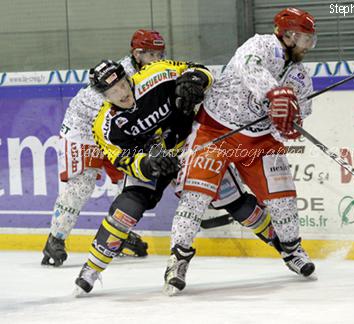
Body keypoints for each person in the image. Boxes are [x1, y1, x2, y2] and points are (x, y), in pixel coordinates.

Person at [74, 58, 282, 295]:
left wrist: (196, 80)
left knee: (230, 199)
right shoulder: (104, 124)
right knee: (127, 209)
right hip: (154, 160)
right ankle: (91, 268)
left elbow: (200, 68)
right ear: (104, 96)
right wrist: (149, 164)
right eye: (112, 91)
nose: (121, 93)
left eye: (122, 84)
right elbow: (123, 159)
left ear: (127, 77)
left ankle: (285, 246)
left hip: (190, 145)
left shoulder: (157, 73)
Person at [165, 7, 317, 295]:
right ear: (288, 35)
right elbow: (250, 67)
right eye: (305, 39)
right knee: (195, 197)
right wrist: (274, 92)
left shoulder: (299, 76)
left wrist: (290, 125)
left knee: (283, 201)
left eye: (311, 40)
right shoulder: (260, 44)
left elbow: (302, 111)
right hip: (215, 130)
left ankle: (292, 251)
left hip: (260, 141)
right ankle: (178, 258)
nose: (308, 46)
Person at [42, 29, 167, 267]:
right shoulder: (122, 76)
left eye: (160, 53)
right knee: (82, 184)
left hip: (115, 129)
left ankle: (117, 232)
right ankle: (55, 239)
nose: (157, 59)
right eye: (151, 54)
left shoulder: (156, 71)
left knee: (131, 185)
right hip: (84, 127)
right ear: (137, 53)